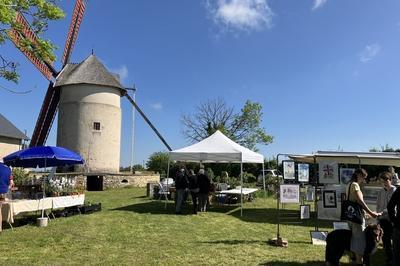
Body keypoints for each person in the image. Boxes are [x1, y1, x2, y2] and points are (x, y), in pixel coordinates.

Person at [346, 168, 380, 265]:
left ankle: (354, 260)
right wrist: (371, 212)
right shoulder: (355, 185)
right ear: (357, 174)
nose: (363, 180)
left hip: (351, 217)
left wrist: (366, 214)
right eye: (363, 177)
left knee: (354, 239)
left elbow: (354, 202)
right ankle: (359, 261)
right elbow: (360, 202)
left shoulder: (349, 184)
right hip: (356, 220)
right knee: (359, 241)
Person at [376, 172, 396, 265]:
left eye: (386, 181)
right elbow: (378, 205)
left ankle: (395, 258)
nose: (384, 183)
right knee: (385, 241)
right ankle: (389, 258)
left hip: (393, 220)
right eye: (382, 181)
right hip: (383, 219)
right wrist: (378, 218)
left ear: (390, 180)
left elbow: (394, 207)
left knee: (395, 241)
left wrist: (383, 212)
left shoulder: (395, 190)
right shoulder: (380, 191)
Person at [388, 186, 400, 266]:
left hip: (398, 225)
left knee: (397, 254)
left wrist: (394, 220)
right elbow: (390, 206)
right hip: (398, 226)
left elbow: (390, 206)